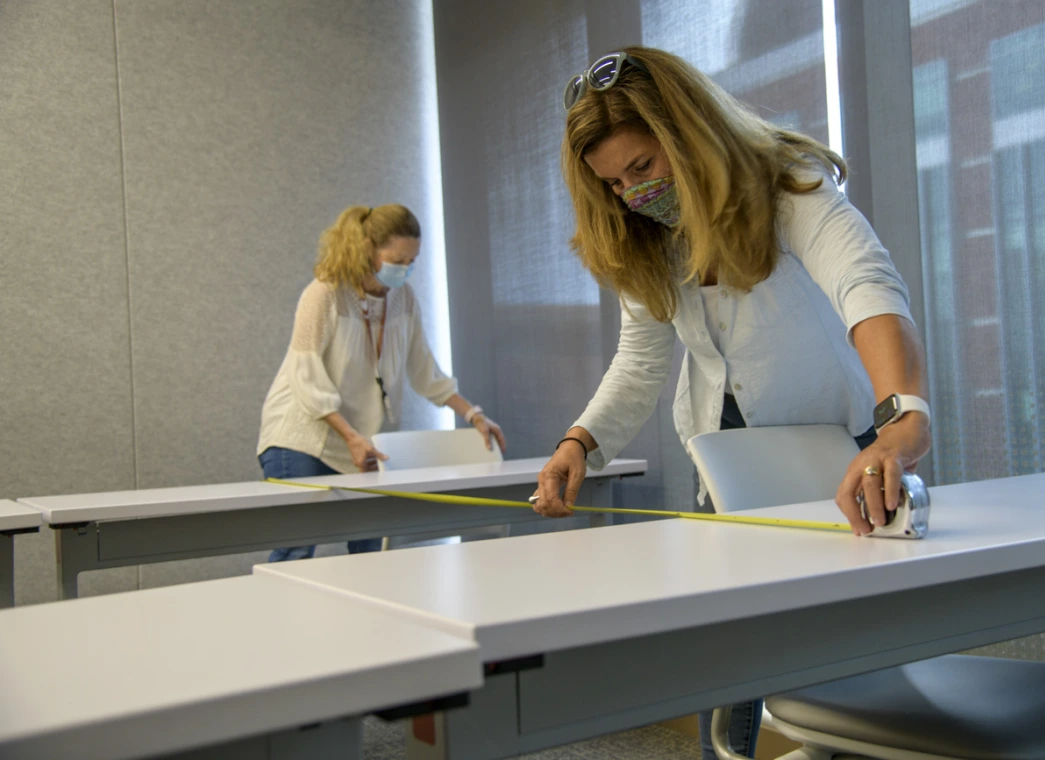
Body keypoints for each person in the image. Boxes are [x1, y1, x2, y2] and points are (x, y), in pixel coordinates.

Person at [531, 47, 931, 760]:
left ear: (688, 136)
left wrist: (902, 418)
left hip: (838, 463)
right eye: (614, 182)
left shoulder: (789, 191)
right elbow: (641, 359)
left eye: (644, 167)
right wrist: (579, 442)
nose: (633, 193)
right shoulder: (648, 241)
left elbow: (868, 288)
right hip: (729, 467)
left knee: (849, 661)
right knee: (734, 667)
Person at [257, 204, 505, 561]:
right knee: (298, 546)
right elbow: (305, 375)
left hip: (361, 444)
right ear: (367, 248)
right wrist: (352, 437)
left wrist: (475, 416)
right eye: (397, 260)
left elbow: (426, 372)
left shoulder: (404, 299)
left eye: (411, 261)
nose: (405, 269)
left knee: (373, 549)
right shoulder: (325, 293)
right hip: (302, 439)